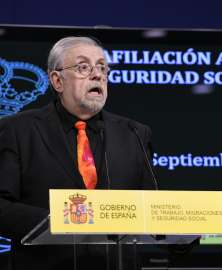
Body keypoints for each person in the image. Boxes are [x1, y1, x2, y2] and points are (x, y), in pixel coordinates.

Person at [0, 36, 158, 270]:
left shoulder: (134, 132)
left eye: (102, 67)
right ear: (57, 81)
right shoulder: (17, 130)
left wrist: (183, 235)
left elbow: (152, 207)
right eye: (84, 67)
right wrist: (55, 221)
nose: (97, 75)